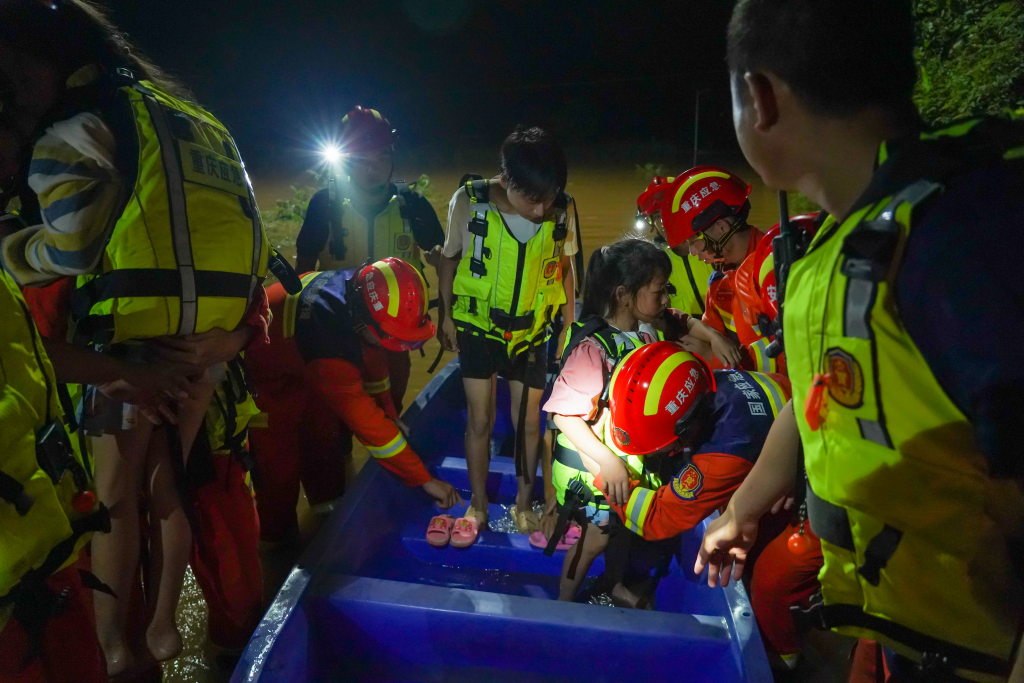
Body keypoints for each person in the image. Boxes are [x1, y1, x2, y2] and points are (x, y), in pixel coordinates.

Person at [695, 1, 1024, 680]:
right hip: (917, 632)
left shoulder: (960, 231)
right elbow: (823, 393)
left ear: (760, 97)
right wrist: (745, 507)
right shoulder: (859, 238)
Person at [0, 1, 272, 674]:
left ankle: (117, 646)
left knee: (117, 497)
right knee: (168, 487)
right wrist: (229, 336)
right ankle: (161, 629)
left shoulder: (80, 118)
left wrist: (12, 248)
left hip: (128, 342)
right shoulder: (190, 116)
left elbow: (72, 245)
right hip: (204, 341)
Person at [591, 340, 819, 667]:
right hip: (800, 453)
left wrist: (600, 467)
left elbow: (655, 518)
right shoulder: (711, 378)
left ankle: (778, 661)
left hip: (826, 494)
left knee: (773, 583)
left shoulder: (720, 456)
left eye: (658, 449)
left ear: (685, 431)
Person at [541, 239, 739, 603]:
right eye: (659, 291)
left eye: (667, 290)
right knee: (596, 538)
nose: (666, 299)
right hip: (598, 465)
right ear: (624, 295)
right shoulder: (594, 348)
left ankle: (613, 583)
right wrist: (608, 462)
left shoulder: (650, 324)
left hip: (633, 459)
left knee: (623, 529)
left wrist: (712, 336)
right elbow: (563, 416)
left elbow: (682, 320)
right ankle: (564, 602)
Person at [247, 257, 462, 547]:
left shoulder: (362, 296)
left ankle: (327, 522)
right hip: (266, 376)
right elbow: (372, 432)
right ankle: (277, 546)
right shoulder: (332, 347)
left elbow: (374, 363)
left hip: (302, 358)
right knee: (277, 471)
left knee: (326, 446)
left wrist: (389, 413)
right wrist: (426, 481)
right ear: (367, 325)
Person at [436, 126, 578, 537]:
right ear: (507, 179)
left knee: (530, 423)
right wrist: (446, 315)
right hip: (479, 327)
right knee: (479, 420)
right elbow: (450, 257)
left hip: (533, 331)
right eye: (533, 199)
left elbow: (565, 269)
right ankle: (478, 506)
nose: (541, 209)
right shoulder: (470, 199)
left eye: (549, 197)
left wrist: (569, 325)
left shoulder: (563, 207)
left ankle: (522, 502)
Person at [295, 105, 446, 414]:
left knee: (390, 413)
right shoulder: (324, 205)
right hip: (335, 336)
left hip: (394, 337)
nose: (373, 168)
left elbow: (445, 263)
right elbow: (302, 272)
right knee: (333, 424)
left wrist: (448, 318)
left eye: (382, 157)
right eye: (362, 160)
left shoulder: (412, 206)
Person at [660, 167, 778, 373]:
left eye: (694, 242)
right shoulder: (719, 284)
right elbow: (708, 334)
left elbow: (800, 357)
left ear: (722, 227)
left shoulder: (776, 269)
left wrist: (712, 359)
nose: (694, 253)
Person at [635, 176, 716, 318]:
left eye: (667, 213)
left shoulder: (714, 243)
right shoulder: (653, 261)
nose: (663, 222)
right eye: (656, 217)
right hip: (684, 331)